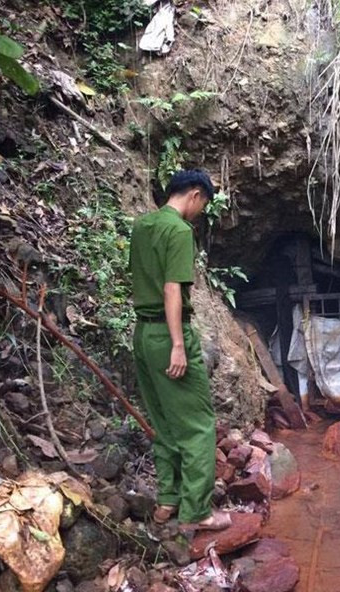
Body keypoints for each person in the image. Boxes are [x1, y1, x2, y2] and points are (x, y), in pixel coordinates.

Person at [129, 169, 231, 532]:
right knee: (199, 425)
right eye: (202, 204)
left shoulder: (142, 227)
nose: (200, 213)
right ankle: (198, 511)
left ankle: (167, 501)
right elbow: (172, 289)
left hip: (142, 335)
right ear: (195, 195)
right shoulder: (179, 231)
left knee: (163, 421)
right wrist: (177, 344)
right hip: (168, 333)